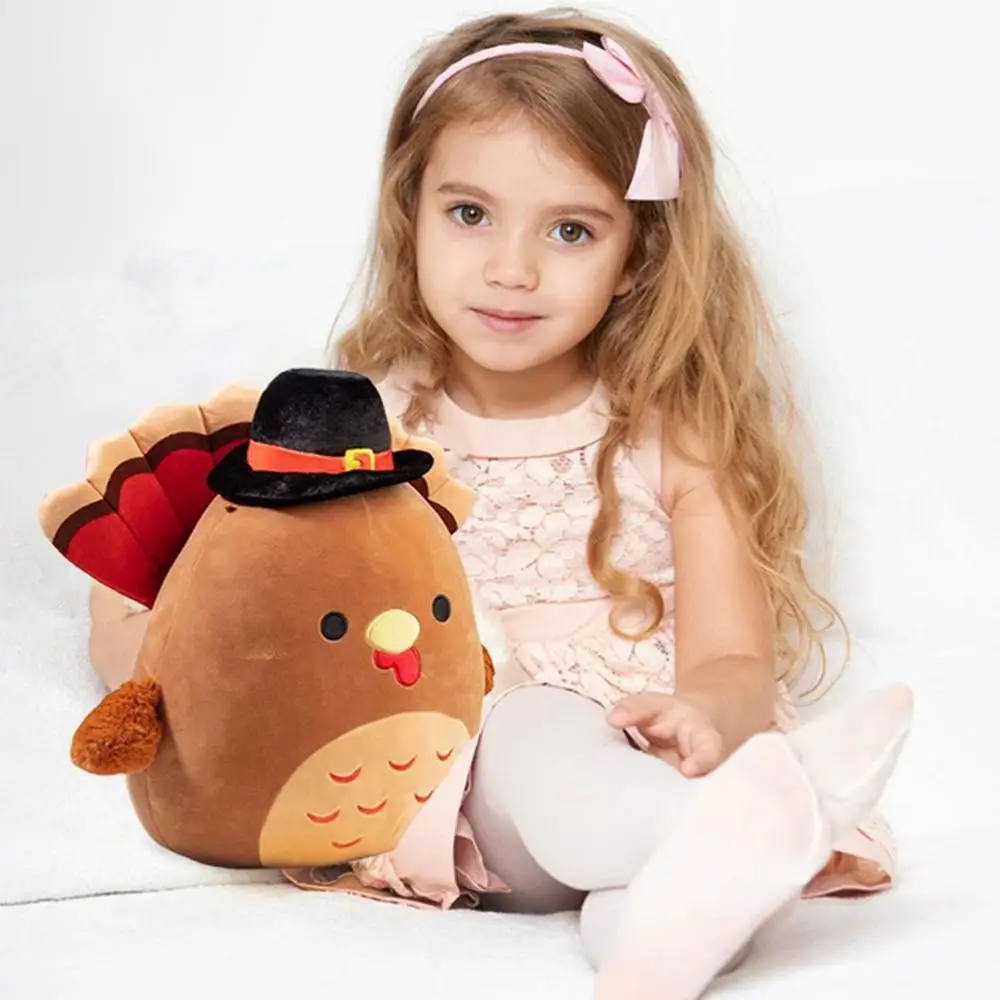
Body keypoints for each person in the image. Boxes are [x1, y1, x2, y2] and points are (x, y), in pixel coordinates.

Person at [90, 11, 914, 999]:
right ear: (411, 212)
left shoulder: (673, 433)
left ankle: (659, 932)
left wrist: (704, 714)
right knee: (535, 732)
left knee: (661, 893)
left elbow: (735, 659)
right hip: (461, 775)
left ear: (637, 255)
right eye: (470, 214)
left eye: (571, 230)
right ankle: (746, 828)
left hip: (653, 759)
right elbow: (260, 599)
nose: (512, 268)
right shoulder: (374, 428)